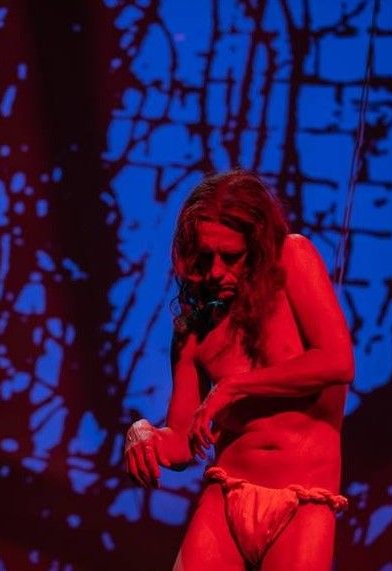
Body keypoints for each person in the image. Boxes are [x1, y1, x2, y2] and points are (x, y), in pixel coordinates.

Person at [124, 170, 354, 570]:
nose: (215, 272)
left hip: (301, 500)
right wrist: (143, 434)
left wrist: (233, 388)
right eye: (205, 258)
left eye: (231, 257)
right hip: (225, 495)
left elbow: (336, 361)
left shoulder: (293, 258)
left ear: (258, 246)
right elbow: (183, 441)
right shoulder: (194, 330)